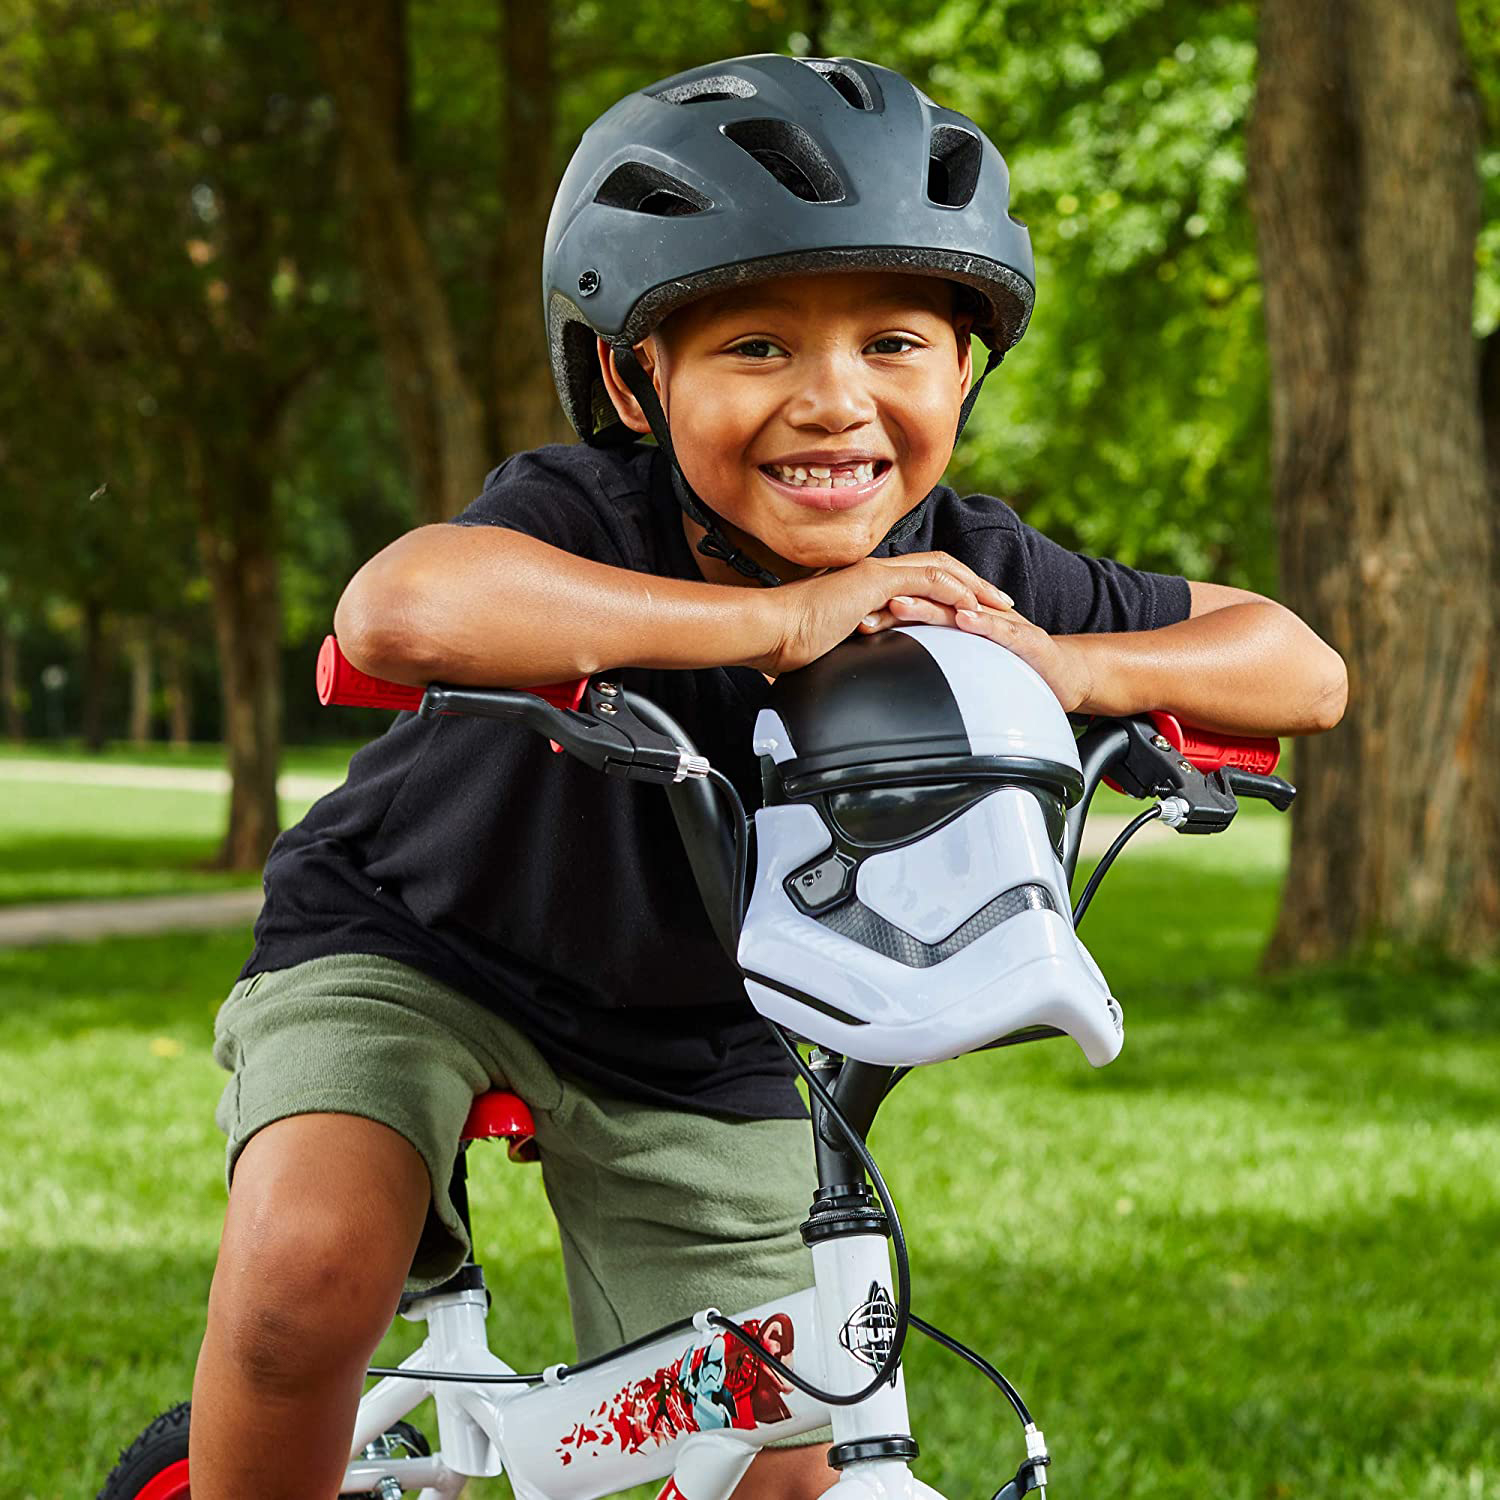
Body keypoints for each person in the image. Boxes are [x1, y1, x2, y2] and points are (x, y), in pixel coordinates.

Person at [188, 54, 1347, 1500]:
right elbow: (400, 609)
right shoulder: (587, 513)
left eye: (896, 344)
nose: (834, 402)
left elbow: (1300, 666)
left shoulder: (976, 569)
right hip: (416, 942)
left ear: (967, 367)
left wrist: (1071, 667)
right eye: (757, 348)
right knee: (305, 1279)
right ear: (635, 373)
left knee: (774, 1455)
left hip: (709, 1026)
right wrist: (778, 621)